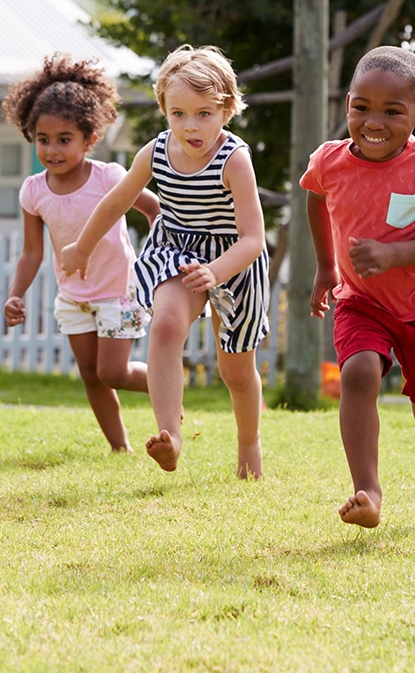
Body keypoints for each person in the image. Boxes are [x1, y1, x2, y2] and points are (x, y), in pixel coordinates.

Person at [60, 45, 269, 479]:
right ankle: (169, 437)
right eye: (178, 114)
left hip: (234, 260)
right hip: (177, 250)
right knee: (167, 324)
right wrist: (82, 247)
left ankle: (249, 446)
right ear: (164, 110)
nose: (190, 126)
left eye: (204, 114)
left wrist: (218, 271)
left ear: (227, 110)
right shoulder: (155, 152)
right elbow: (116, 201)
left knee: (236, 371)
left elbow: (253, 238)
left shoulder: (235, 159)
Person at [300, 45, 415, 528]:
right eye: (361, 108)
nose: (374, 122)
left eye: (393, 111)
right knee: (357, 374)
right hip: (362, 301)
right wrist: (327, 267)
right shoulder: (329, 161)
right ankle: (367, 491)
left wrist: (392, 254)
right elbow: (315, 196)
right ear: (347, 104)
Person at [2, 53, 160, 453]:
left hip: (118, 290)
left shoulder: (109, 177)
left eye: (64, 139)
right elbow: (31, 253)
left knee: (113, 371)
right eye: (42, 139)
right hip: (73, 295)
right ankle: (118, 448)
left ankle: (166, 385)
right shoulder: (34, 191)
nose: (52, 150)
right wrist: (15, 294)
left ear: (89, 140)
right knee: (91, 375)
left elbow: (154, 208)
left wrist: (165, 253)